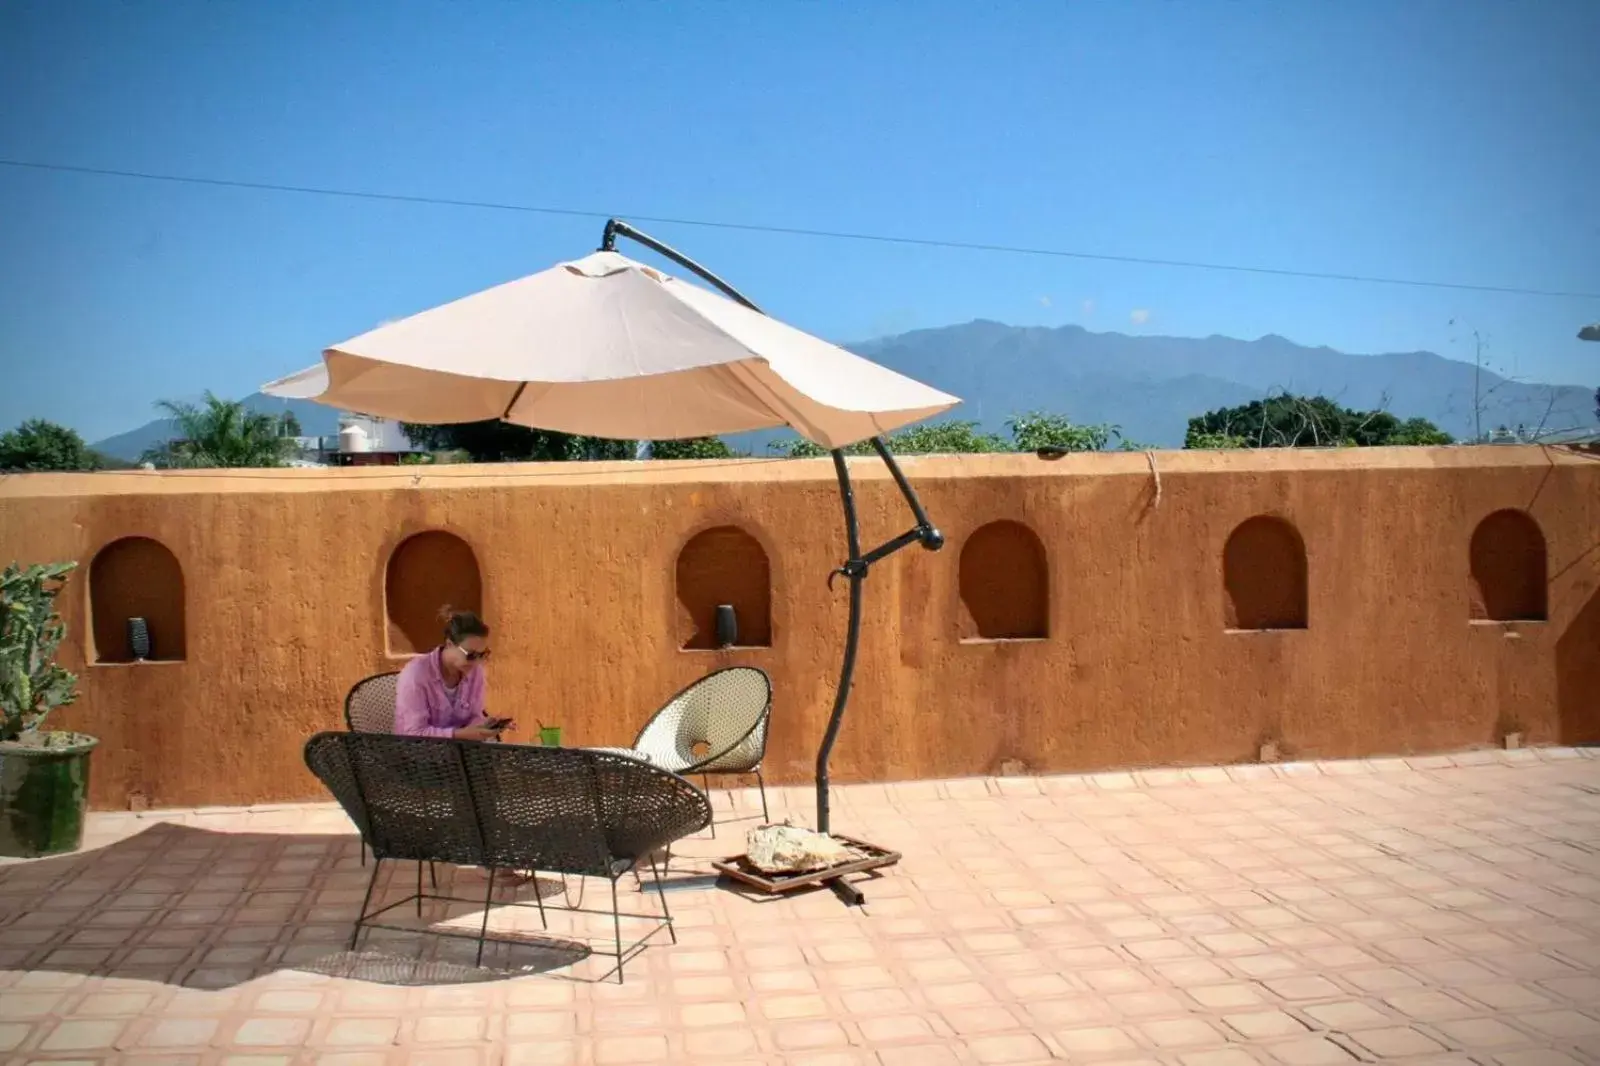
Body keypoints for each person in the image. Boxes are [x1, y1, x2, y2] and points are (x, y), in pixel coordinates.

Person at [394, 608, 508, 740]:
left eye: (482, 654)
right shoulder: (416, 674)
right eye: (471, 655)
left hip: (461, 751)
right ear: (449, 644)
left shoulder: (476, 672)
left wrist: (484, 726)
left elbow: (474, 716)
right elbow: (414, 733)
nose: (477, 661)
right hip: (418, 755)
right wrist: (460, 735)